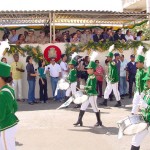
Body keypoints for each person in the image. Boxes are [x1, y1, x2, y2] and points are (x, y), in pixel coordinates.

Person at [73, 54, 102, 127]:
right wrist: (84, 89)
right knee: (83, 107)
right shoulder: (89, 76)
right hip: (88, 94)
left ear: (92, 69)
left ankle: (99, 121)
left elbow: (92, 87)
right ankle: (79, 120)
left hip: (92, 95)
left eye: (88, 69)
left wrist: (84, 87)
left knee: (95, 108)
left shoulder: (92, 77)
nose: (87, 70)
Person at [130, 67, 150, 150]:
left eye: (148, 80)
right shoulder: (148, 90)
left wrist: (147, 106)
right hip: (146, 119)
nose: (146, 82)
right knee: (135, 141)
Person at [0, 62, 19, 150]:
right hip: (11, 124)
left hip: (5, 126)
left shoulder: (2, 94)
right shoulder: (9, 89)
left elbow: (1, 116)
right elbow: (15, 107)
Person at [131, 48, 146, 114]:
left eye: (137, 63)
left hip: (143, 91)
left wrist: (144, 92)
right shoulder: (137, 70)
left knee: (143, 105)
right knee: (134, 102)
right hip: (137, 90)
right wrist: (135, 90)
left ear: (142, 63)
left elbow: (147, 82)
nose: (136, 64)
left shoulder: (144, 72)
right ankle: (133, 114)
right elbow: (137, 82)